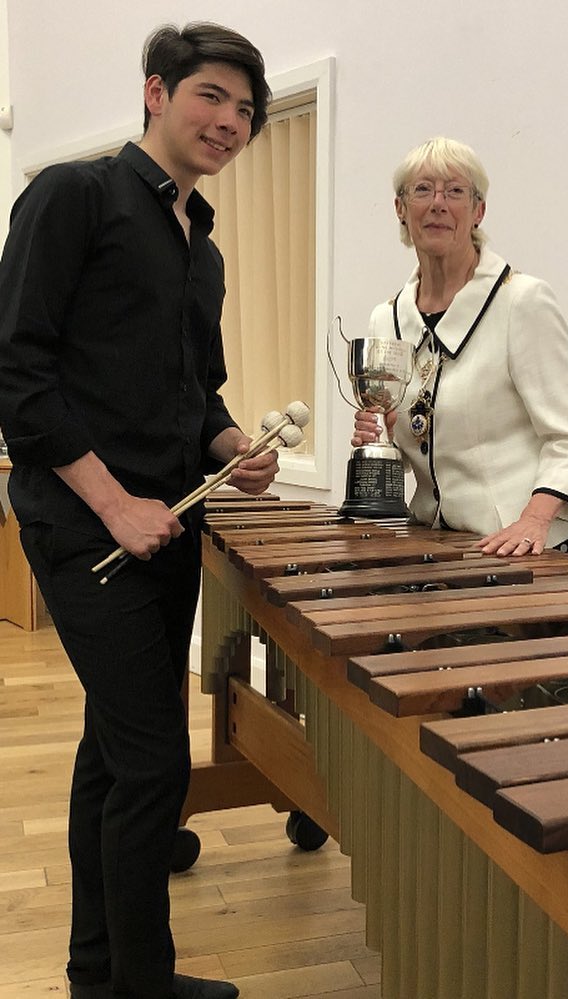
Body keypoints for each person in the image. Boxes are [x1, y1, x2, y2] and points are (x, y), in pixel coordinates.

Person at [0, 23, 277, 999]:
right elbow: (18, 374)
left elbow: (196, 398)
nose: (231, 121)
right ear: (156, 93)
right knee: (157, 762)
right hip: (86, 523)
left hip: (166, 529)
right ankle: (142, 987)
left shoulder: (201, 252)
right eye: (212, 96)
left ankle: (96, 974)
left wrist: (233, 448)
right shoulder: (73, 196)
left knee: (114, 754)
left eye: (246, 109)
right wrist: (115, 503)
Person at [352, 136, 568, 557]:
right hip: (436, 545)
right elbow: (419, 439)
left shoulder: (522, 301)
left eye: (456, 191)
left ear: (478, 211)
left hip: (522, 551)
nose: (438, 204)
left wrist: (534, 520)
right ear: (400, 208)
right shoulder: (386, 319)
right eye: (422, 190)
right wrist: (381, 443)